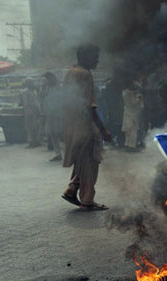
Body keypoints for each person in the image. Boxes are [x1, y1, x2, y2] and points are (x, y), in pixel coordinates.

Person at [61, 43, 112, 211]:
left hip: (72, 123)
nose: (97, 60)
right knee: (90, 161)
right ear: (84, 57)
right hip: (85, 125)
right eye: (94, 57)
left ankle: (72, 189)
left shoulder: (71, 72)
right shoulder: (84, 74)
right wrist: (102, 129)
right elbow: (89, 106)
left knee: (82, 160)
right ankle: (87, 200)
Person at [43, 72, 63, 162]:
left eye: (46, 79)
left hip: (58, 114)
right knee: (53, 134)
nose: (45, 81)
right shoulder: (48, 88)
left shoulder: (58, 88)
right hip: (50, 114)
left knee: (61, 134)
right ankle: (58, 154)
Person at [122, 81, 144, 151]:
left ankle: (129, 145)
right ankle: (131, 146)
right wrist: (139, 99)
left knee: (130, 131)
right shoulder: (128, 94)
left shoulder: (127, 93)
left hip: (131, 114)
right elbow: (132, 103)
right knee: (132, 131)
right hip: (131, 114)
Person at [20, 79, 42, 148]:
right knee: (29, 127)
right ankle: (31, 141)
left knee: (36, 126)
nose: (32, 84)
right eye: (30, 82)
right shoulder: (25, 92)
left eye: (32, 82)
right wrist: (30, 111)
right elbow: (26, 103)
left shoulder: (34, 91)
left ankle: (37, 141)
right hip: (29, 112)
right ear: (27, 83)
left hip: (36, 112)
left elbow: (37, 102)